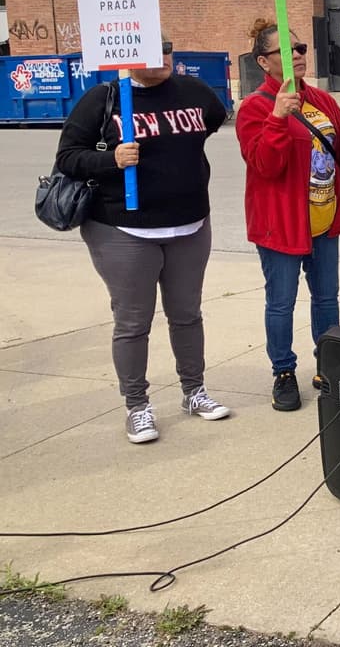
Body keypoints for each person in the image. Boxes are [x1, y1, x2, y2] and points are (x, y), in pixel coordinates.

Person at [56, 40, 231, 443]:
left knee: (187, 314)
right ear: (129, 54)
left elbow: (213, 120)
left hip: (190, 225)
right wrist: (111, 159)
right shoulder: (104, 99)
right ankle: (137, 406)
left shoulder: (195, 92)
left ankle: (194, 391)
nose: (163, 57)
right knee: (133, 322)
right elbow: (68, 157)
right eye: (153, 49)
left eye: (167, 48)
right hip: (123, 229)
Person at [236, 21, 340, 412]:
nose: (299, 55)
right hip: (281, 226)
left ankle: (328, 363)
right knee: (281, 302)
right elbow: (265, 165)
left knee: (327, 298)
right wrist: (277, 118)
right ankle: (283, 371)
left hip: (324, 223)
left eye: (301, 48)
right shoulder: (255, 108)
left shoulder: (323, 101)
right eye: (287, 51)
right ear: (263, 61)